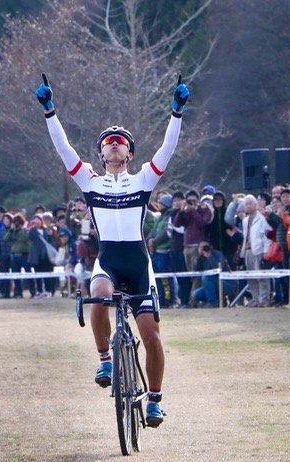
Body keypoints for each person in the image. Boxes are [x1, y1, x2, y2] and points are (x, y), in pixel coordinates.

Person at [35, 72, 189, 427]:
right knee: (99, 293)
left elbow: (167, 150)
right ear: (101, 153)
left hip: (138, 263)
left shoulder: (143, 180)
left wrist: (176, 114)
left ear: (130, 153)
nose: (115, 144)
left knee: (151, 336)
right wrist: (50, 113)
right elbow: (63, 149)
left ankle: (154, 399)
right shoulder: (89, 181)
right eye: (108, 142)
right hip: (109, 260)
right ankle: (105, 358)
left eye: (121, 142)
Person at [240, 195, 272, 307]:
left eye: (250, 203)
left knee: (262, 276)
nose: (248, 206)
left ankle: (264, 299)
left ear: (256, 204)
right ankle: (256, 299)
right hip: (248, 250)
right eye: (246, 204)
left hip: (259, 250)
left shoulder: (262, 218)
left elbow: (267, 235)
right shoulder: (245, 221)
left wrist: (266, 251)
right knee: (251, 277)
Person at [191, 242, 235, 308]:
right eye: (201, 247)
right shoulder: (201, 257)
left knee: (206, 277)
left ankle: (212, 302)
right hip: (210, 286)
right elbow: (196, 269)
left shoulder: (217, 254)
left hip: (225, 283)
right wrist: (199, 256)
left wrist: (210, 257)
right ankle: (219, 301)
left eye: (205, 247)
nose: (204, 249)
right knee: (195, 294)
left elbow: (220, 268)